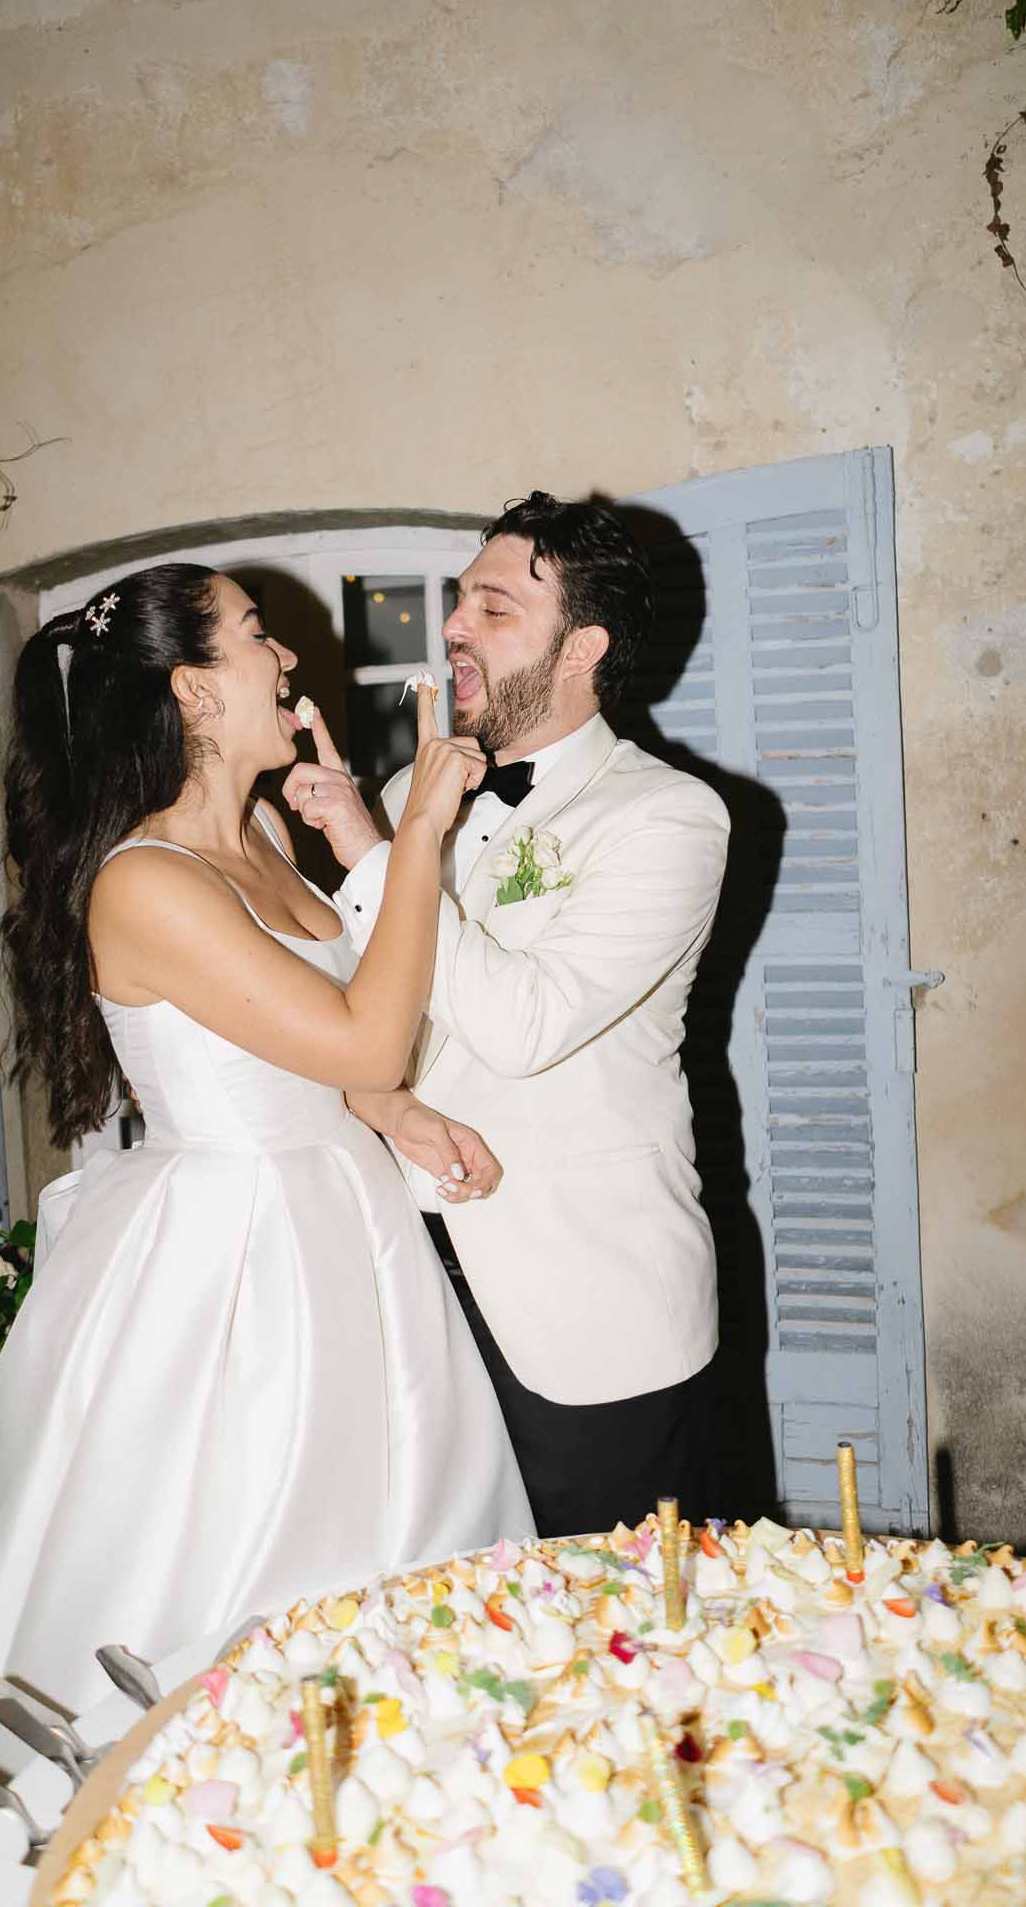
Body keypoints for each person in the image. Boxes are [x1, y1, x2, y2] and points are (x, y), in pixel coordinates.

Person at [0, 562, 530, 1907]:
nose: (285, 655)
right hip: (235, 1282)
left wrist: (394, 1114)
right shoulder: (143, 882)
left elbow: (336, 1053)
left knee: (379, 1558)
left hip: (344, 1234)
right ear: (190, 688)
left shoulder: (262, 843)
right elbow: (365, 1015)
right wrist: (415, 832)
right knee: (234, 1576)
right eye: (255, 636)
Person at [285, 492, 730, 1540]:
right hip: (410, 1290)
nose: (452, 627)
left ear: (582, 648)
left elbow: (527, 1025)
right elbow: (360, 1023)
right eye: (459, 602)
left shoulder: (667, 815)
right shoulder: (408, 797)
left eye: (493, 606)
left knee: (631, 1633)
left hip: (589, 1307)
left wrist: (372, 856)